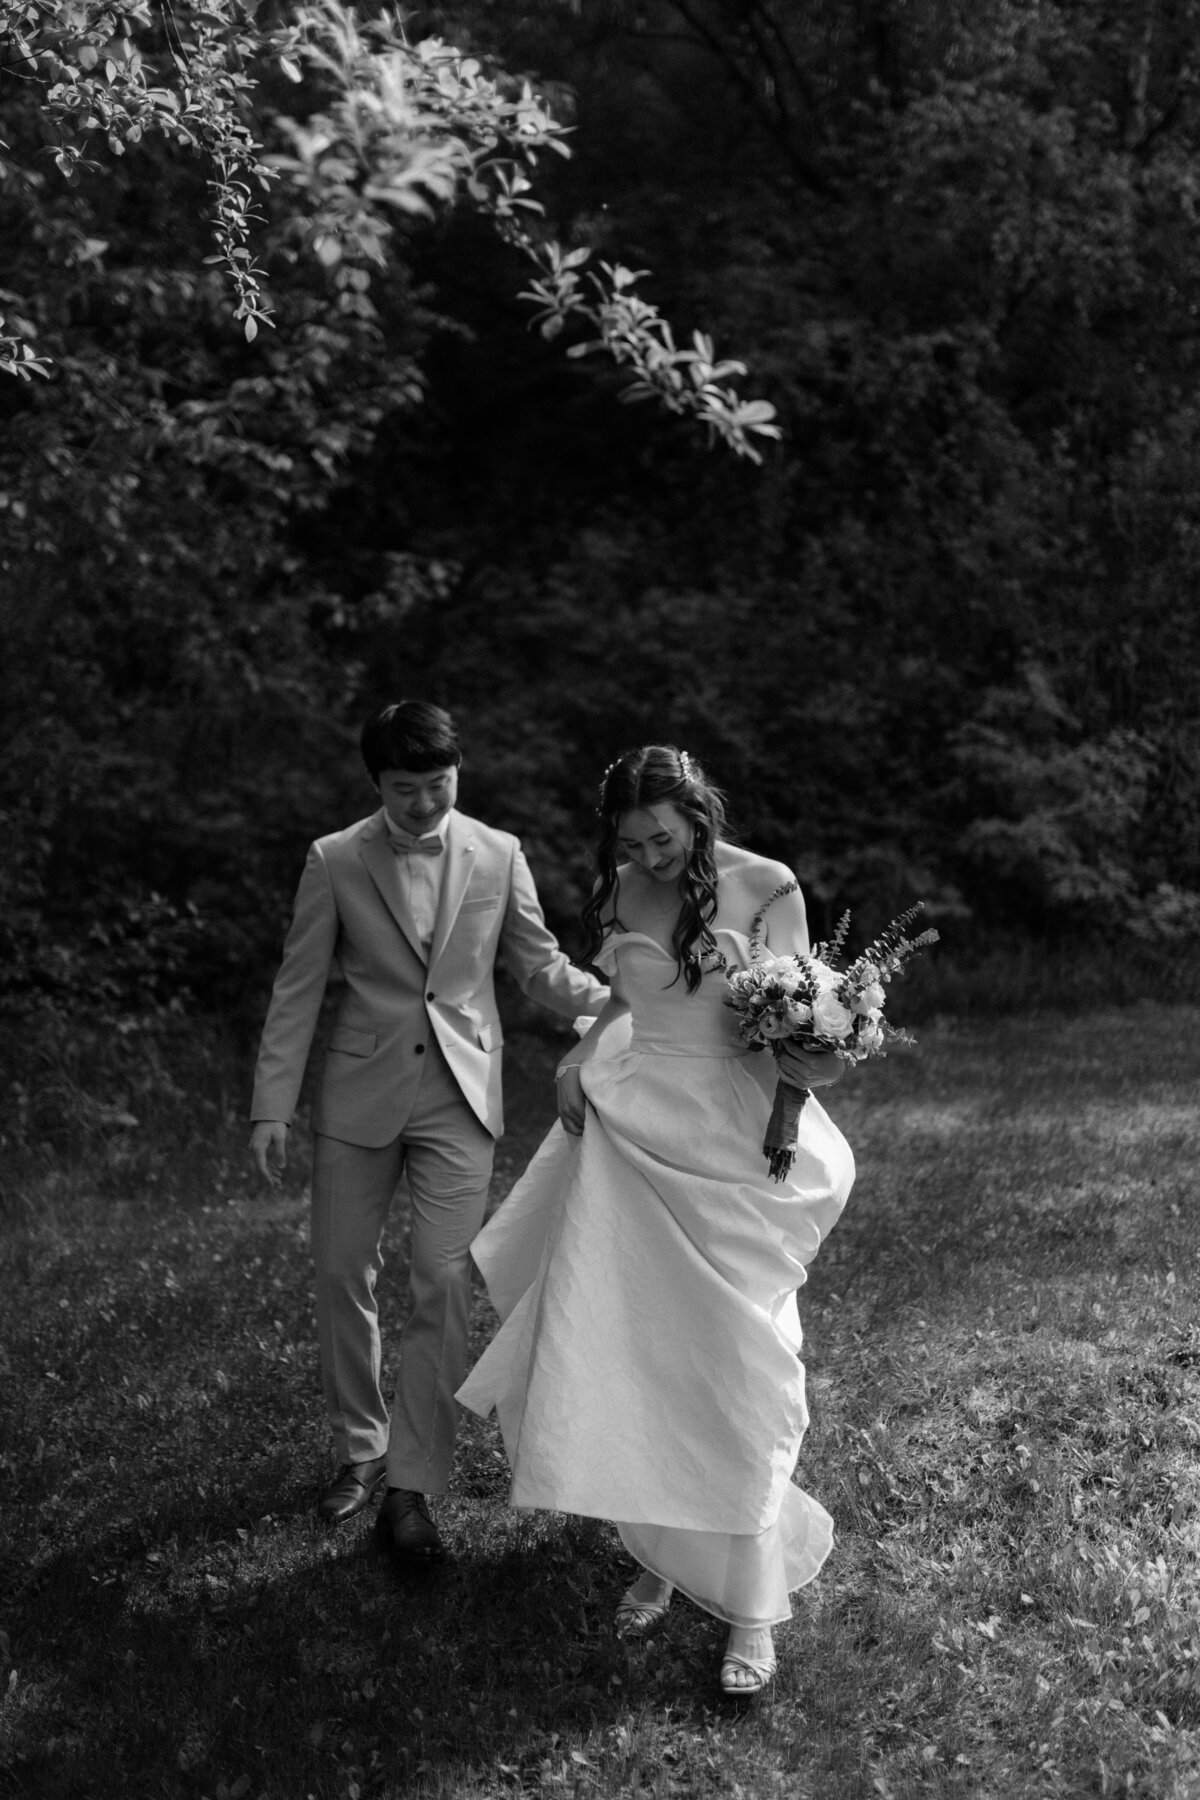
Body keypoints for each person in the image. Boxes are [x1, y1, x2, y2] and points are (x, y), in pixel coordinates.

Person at [457, 745, 854, 1695]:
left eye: (662, 836)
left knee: (741, 1357)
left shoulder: (767, 886)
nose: (649, 854)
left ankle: (752, 1604)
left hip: (735, 1137)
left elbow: (806, 1024)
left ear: (697, 811)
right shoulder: (625, 892)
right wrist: (575, 1059)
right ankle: (667, 1553)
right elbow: (622, 1008)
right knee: (647, 1349)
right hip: (635, 1127)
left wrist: (791, 1113)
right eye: (631, 841)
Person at [249, 701, 606, 1558]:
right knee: (341, 1272)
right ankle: (361, 1447)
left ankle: (412, 1478)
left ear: (459, 771)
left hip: (460, 1094)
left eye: (437, 785)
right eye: (404, 789)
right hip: (358, 1095)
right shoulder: (334, 859)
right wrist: (272, 1101)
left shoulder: (499, 852)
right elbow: (300, 986)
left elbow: (537, 964)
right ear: (376, 783)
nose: (422, 804)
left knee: (441, 1284)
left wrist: (630, 1004)